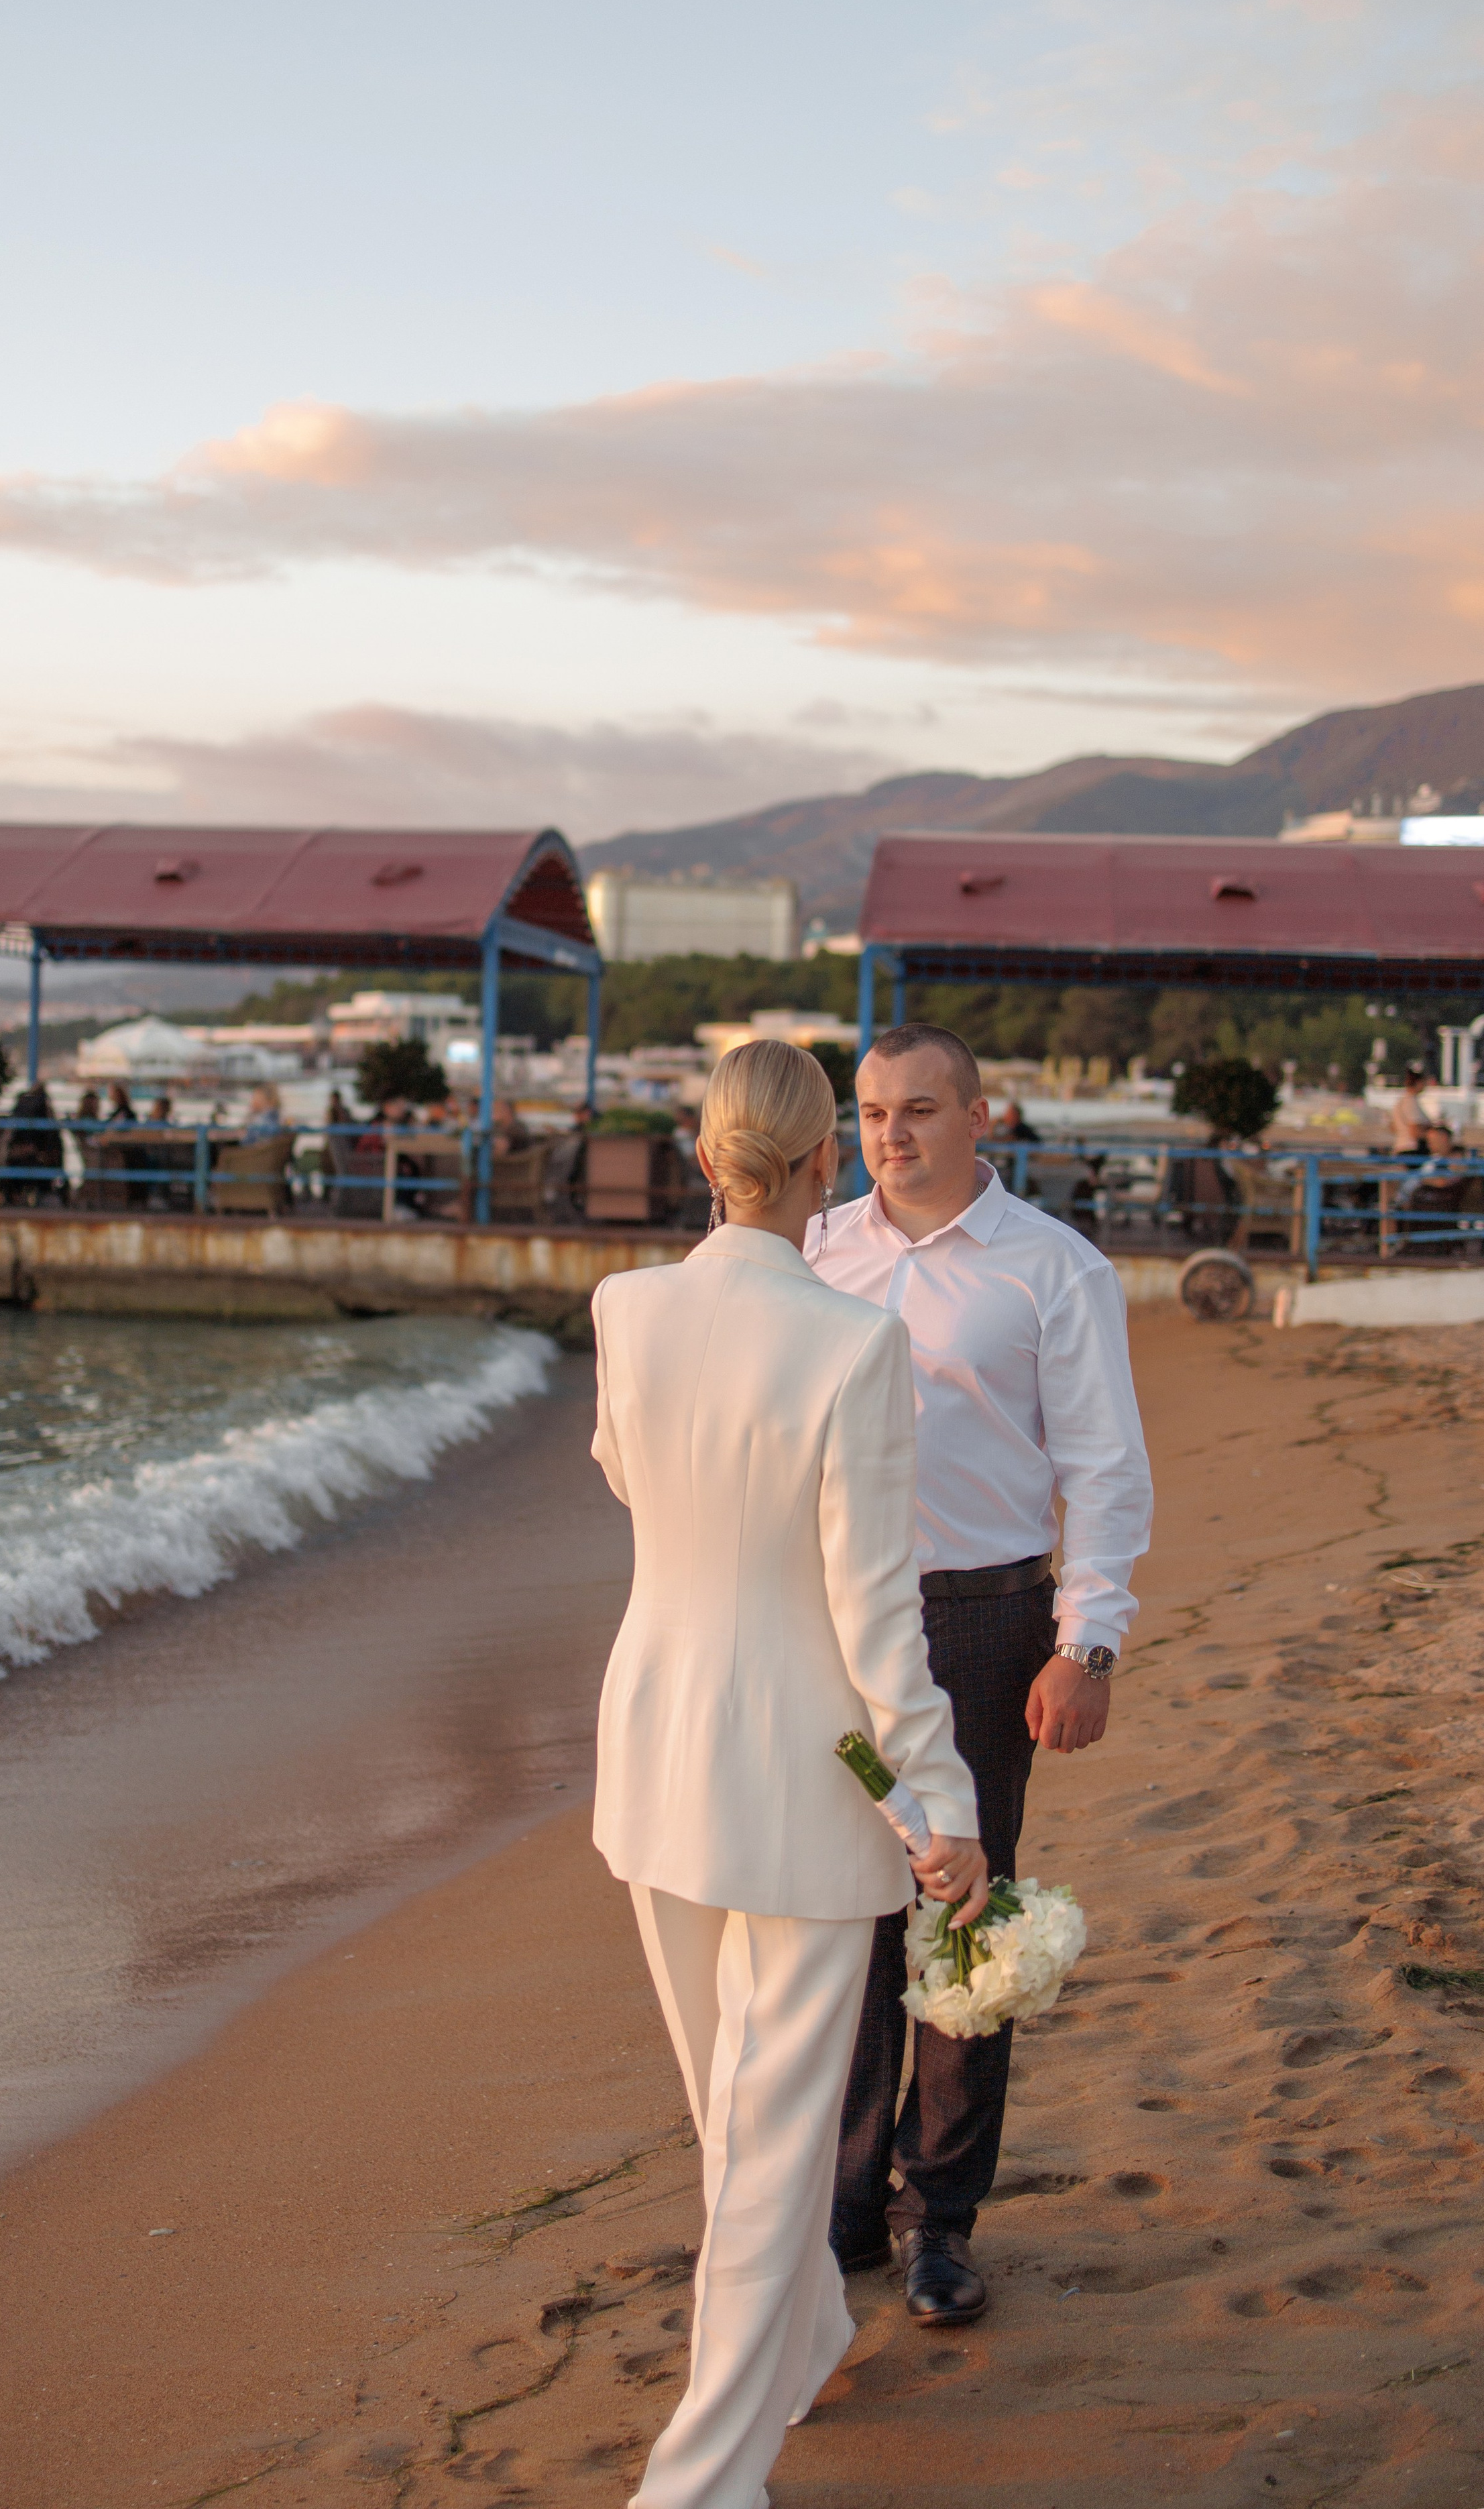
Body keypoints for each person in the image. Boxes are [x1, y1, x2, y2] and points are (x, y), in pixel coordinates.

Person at [591, 1038, 982, 2509]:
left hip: (653, 1745)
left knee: (728, 2110)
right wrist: (937, 1806)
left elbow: (622, 1470)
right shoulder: (849, 1347)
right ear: (823, 1169)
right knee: (766, 2136)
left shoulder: (624, 1311)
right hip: (800, 1773)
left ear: (704, 1159)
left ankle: (806, 2329)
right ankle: (697, 2485)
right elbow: (877, 1614)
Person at [808, 1021, 1153, 2325]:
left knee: (959, 1924)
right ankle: (837, 2210)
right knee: (842, 1917)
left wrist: (1085, 1644)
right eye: (872, 1112)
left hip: (977, 1629)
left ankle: (935, 2220)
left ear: (977, 1116)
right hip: (827, 1633)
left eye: (916, 1111)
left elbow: (1103, 1470)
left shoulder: (1050, 1272)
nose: (890, 1135)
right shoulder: (813, 1254)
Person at [1389, 1069, 1430, 1158]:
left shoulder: (1401, 1102)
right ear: (1419, 1083)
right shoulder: (1411, 1102)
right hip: (1412, 1149)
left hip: (1401, 1147)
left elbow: (1393, 1127)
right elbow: (1414, 1131)